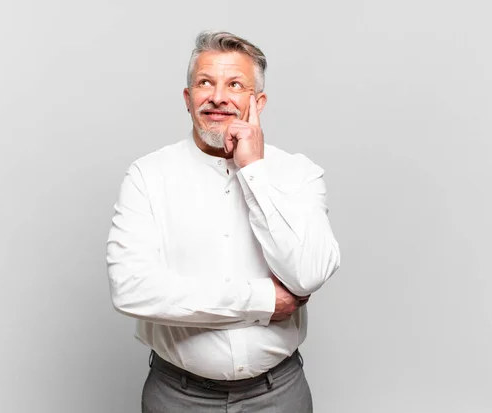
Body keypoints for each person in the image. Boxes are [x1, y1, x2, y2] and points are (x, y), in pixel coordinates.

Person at [106, 31, 340, 413]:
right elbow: (132, 289)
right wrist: (262, 300)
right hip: (177, 396)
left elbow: (309, 273)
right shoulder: (147, 176)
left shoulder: (298, 173)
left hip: (278, 395)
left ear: (257, 102)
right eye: (204, 83)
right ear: (187, 99)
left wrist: (253, 170)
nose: (218, 97)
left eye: (235, 84)